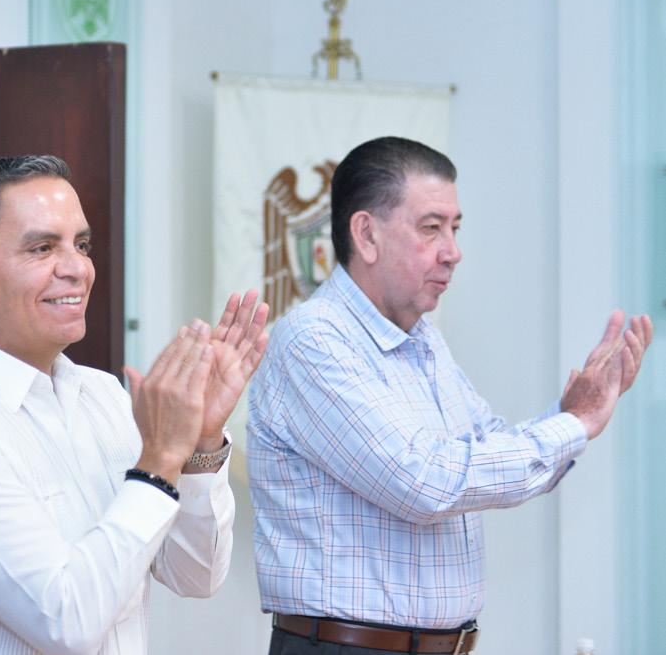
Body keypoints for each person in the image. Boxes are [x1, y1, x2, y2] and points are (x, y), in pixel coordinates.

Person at [247, 136, 653, 655]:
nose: (453, 252)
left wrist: (573, 412)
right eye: (431, 227)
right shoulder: (313, 340)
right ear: (366, 235)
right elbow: (424, 482)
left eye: (455, 228)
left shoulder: (423, 340)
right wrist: (575, 424)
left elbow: (487, 449)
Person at [0, 155, 270, 654]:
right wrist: (158, 461)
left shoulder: (103, 394)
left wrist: (199, 443)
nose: (78, 270)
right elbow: (66, 620)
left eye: (81, 246)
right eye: (42, 248)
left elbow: (193, 574)